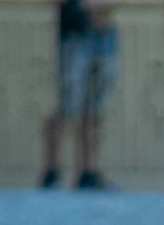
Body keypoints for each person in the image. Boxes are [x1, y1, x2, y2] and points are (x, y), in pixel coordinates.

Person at [41, 0, 117, 190]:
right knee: (68, 104)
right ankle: (52, 171)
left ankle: (89, 171)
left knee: (95, 108)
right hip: (75, 32)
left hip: (104, 32)